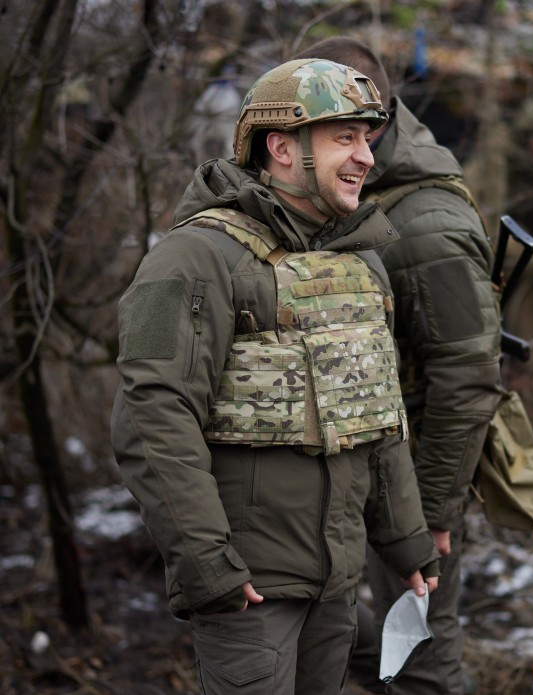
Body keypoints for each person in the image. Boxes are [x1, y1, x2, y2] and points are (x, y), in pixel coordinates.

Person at [110, 58, 441, 695]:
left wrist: (406, 540)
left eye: (367, 138)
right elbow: (149, 415)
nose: (366, 157)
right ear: (282, 147)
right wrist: (208, 566)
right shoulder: (186, 260)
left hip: (336, 580)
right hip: (250, 588)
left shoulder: (357, 260)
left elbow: (378, 410)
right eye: (344, 137)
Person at [293, 38, 502, 695]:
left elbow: (467, 379)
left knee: (421, 667)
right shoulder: (348, 195)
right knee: (317, 628)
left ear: (373, 124)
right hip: (351, 471)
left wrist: (430, 514)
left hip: (411, 480)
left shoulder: (428, 226)